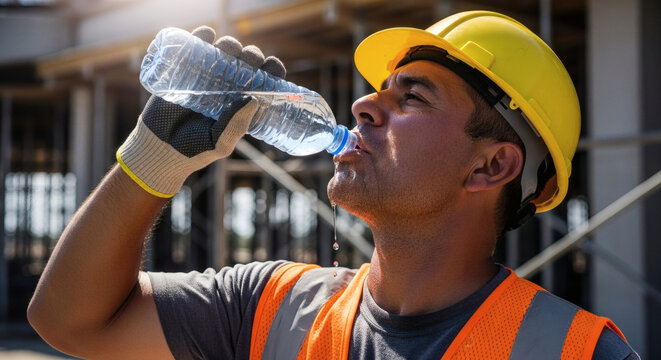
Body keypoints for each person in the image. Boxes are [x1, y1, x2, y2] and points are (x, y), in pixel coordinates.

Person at [27, 10, 639, 360]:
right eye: (379, 89)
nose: (365, 105)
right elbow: (68, 321)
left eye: (413, 98)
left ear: (490, 167)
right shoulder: (267, 305)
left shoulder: (576, 352)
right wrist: (153, 162)